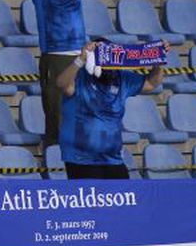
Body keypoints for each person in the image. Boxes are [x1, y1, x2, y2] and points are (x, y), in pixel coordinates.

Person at [15, 0, 110, 147]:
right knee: (55, 115)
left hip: (81, 54)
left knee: (81, 112)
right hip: (55, 56)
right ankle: (54, 158)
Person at [56, 42, 163, 179]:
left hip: (112, 158)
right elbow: (62, 84)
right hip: (81, 158)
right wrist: (80, 59)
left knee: (123, 197)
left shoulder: (122, 78)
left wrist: (158, 62)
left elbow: (151, 83)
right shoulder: (80, 77)